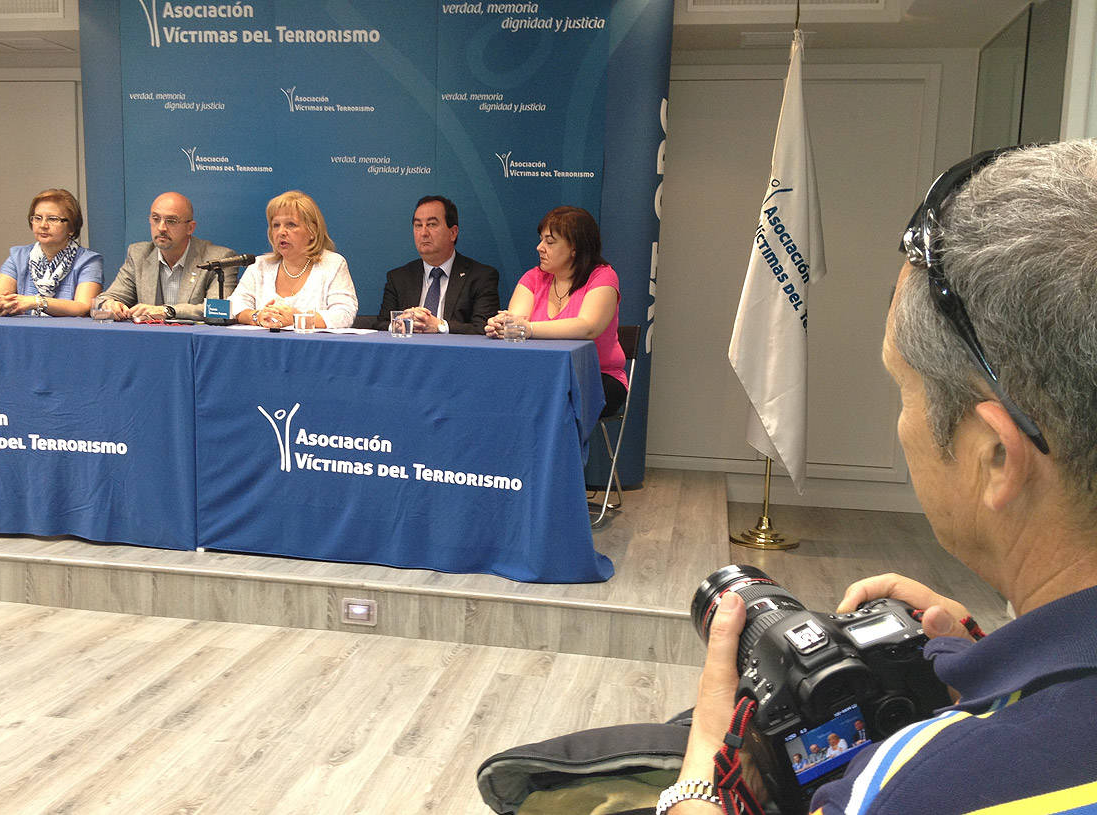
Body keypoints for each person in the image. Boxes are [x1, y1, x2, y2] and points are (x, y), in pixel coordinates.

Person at [662, 141, 1097, 814]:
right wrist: (988, 663)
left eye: (904, 390)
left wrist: (702, 767)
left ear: (995, 455)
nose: (901, 424)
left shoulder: (915, 787)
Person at [485, 206, 627, 416]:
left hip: (597, 377)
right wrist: (503, 325)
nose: (539, 247)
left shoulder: (603, 276)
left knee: (544, 402)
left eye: (550, 242)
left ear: (575, 247)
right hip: (541, 375)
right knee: (496, 393)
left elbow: (588, 327)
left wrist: (528, 329)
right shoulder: (534, 277)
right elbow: (516, 323)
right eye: (541, 240)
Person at [96, 192, 237, 321]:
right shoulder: (139, 255)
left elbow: (220, 311)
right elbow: (102, 301)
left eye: (171, 221)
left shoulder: (218, 259)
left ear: (190, 228)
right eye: (156, 219)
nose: (161, 228)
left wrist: (168, 311)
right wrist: (109, 304)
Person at [230, 190, 357, 329]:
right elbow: (234, 306)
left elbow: (344, 315)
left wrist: (297, 319)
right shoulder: (259, 265)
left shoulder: (332, 264)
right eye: (276, 225)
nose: (281, 232)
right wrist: (257, 316)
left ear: (312, 231)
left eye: (291, 224)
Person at [373, 195, 500, 334]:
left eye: (432, 224)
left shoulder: (481, 277)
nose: (423, 233)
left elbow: (484, 328)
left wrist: (440, 326)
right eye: (418, 225)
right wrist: (399, 325)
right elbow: (381, 325)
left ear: (453, 233)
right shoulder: (398, 278)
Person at [0, 188, 102, 317]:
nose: (43, 225)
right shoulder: (19, 256)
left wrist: (36, 302)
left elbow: (83, 307)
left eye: (52, 219)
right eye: (37, 218)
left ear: (71, 227)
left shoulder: (88, 260)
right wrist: (0, 305)